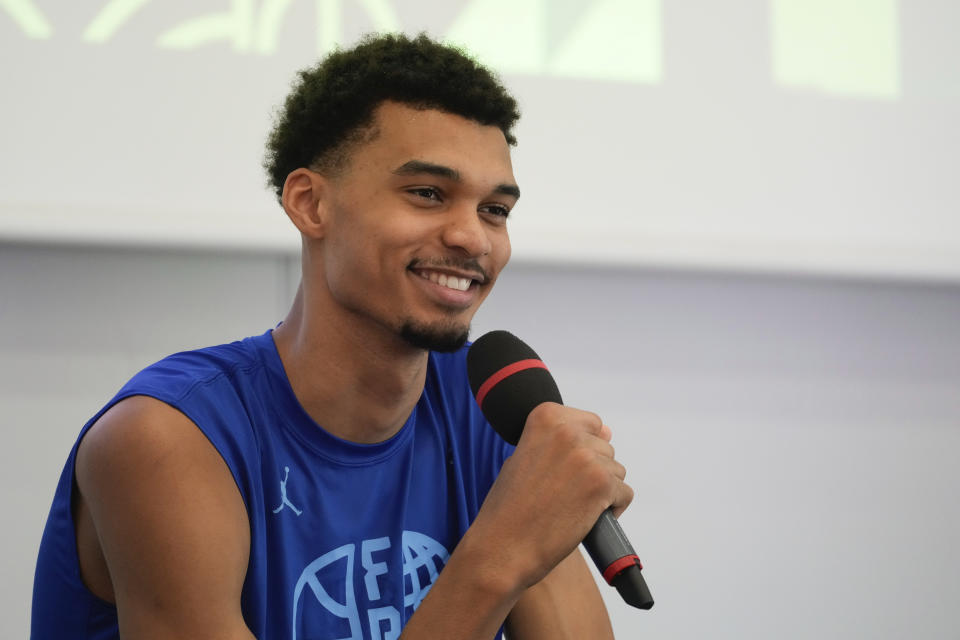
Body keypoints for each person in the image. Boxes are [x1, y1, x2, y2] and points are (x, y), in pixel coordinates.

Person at [32, 33, 634, 639]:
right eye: (428, 194)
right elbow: (499, 563)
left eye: (495, 211)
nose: (473, 238)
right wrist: (499, 557)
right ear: (310, 203)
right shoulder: (168, 439)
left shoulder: (485, 409)